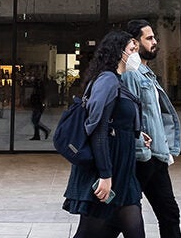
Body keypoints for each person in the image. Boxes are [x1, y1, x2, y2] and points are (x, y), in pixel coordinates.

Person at [62, 31, 147, 238]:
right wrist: (105, 175)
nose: (136, 53)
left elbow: (116, 121)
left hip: (123, 171)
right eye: (132, 49)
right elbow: (98, 129)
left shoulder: (117, 81)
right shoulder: (107, 81)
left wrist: (136, 134)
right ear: (119, 52)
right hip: (110, 170)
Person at [122, 19, 181, 238]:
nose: (155, 42)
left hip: (156, 156)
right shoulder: (131, 74)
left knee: (169, 213)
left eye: (154, 37)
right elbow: (129, 116)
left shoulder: (147, 74)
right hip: (142, 158)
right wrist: (141, 147)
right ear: (135, 44)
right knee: (122, 216)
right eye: (149, 38)